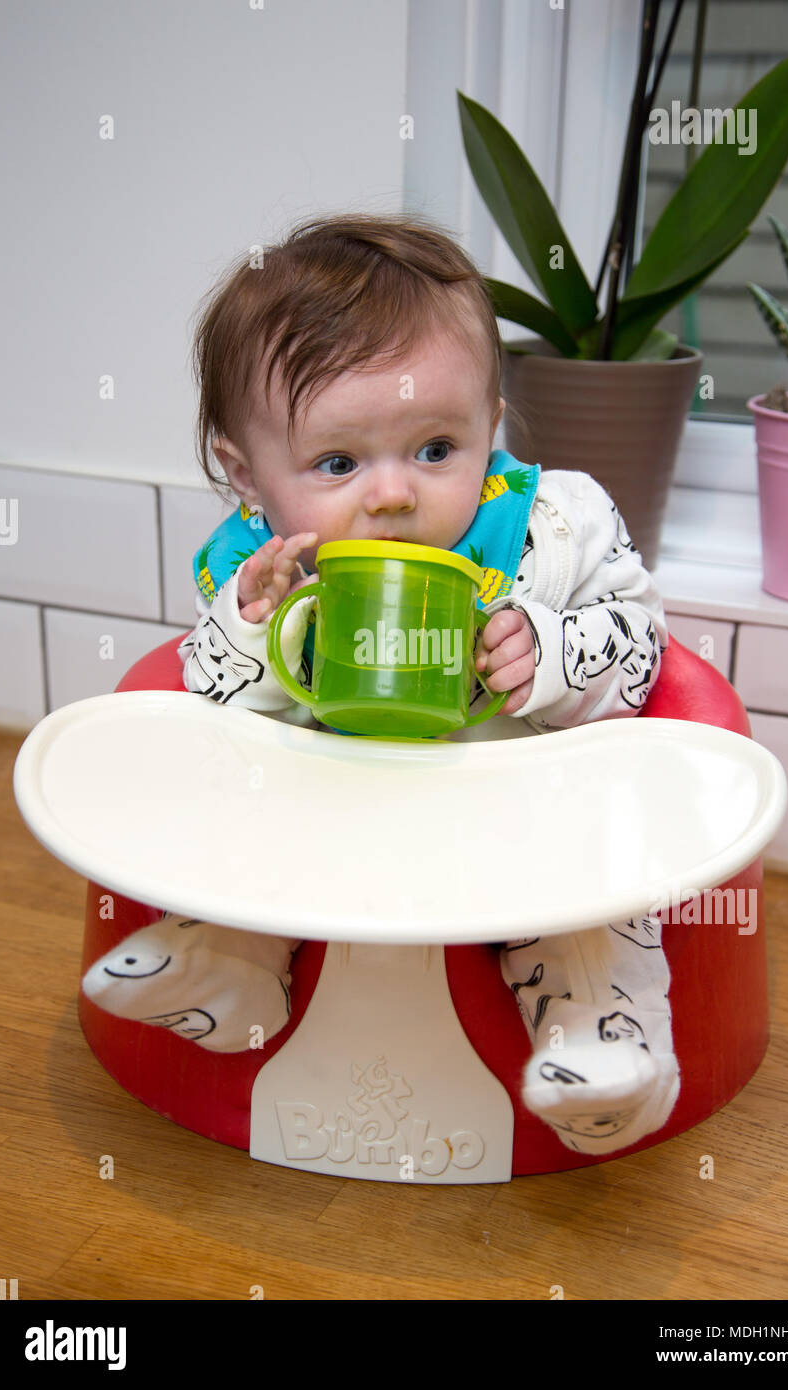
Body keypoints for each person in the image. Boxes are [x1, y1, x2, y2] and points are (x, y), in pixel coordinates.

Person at [82, 213, 680, 1156]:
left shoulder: (553, 529)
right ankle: (224, 971)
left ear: (490, 421)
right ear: (248, 477)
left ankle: (605, 1054)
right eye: (337, 463)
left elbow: (648, 651)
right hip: (326, 827)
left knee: (592, 910)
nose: (394, 493)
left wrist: (555, 655)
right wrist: (247, 623)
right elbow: (203, 703)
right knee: (233, 838)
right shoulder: (265, 567)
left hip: (521, 823)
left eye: (437, 447)